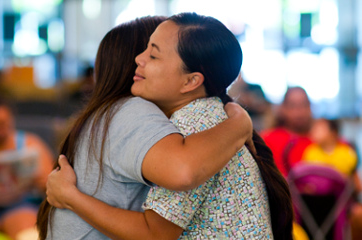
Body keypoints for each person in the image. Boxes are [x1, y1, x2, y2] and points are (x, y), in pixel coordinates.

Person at [45, 13, 293, 240]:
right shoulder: (209, 119)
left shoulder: (195, 127)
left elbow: (156, 234)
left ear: (191, 81)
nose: (138, 59)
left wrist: (71, 197)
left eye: (153, 55)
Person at [0, 98, 54, 239]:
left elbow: (51, 185)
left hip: (21, 203)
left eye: (5, 123)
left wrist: (41, 181)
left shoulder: (30, 143)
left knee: (26, 233)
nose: (1, 131)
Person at [301, 117, 362, 240]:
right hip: (315, 203)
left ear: (333, 133)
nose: (313, 131)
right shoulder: (310, 152)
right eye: (314, 128)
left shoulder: (346, 153)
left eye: (319, 128)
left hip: (341, 202)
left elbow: (355, 184)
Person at [261, 86, 313, 176]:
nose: (299, 111)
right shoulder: (267, 139)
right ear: (283, 109)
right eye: (293, 106)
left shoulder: (320, 140)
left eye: (304, 105)